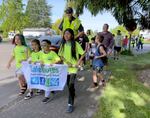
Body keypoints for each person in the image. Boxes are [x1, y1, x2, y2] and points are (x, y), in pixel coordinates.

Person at [58, 28, 85, 113]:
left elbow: (83, 53)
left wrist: (78, 62)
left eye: (68, 34)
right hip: (65, 68)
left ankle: (70, 104)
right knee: (68, 85)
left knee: (70, 84)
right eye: (65, 33)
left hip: (73, 69)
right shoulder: (63, 44)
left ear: (72, 35)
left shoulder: (76, 44)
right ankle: (72, 92)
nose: (66, 35)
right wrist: (66, 62)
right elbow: (60, 55)